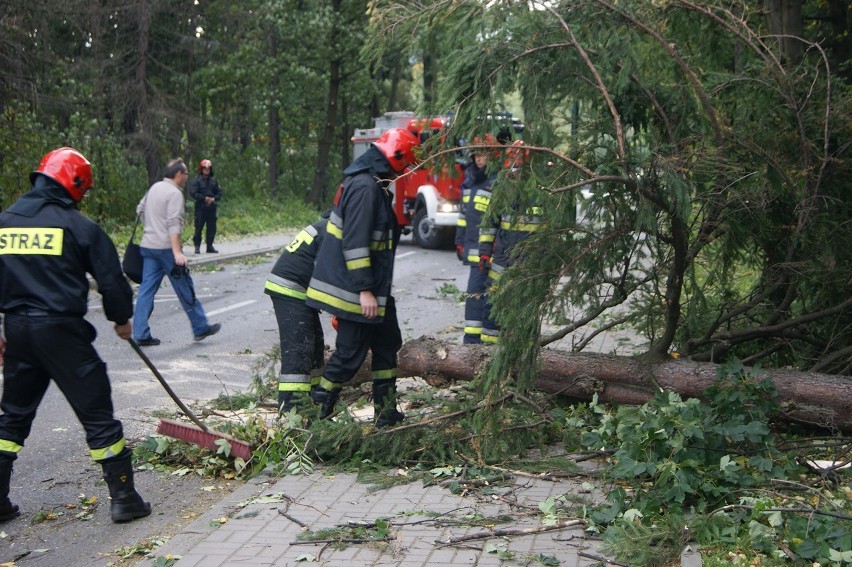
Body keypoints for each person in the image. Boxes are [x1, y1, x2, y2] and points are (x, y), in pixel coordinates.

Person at [0, 147, 150, 523]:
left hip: (17, 330)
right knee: (97, 413)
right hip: (62, 333)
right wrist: (121, 319)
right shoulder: (79, 227)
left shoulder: (4, 223)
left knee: (12, 417)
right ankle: (125, 498)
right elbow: (111, 280)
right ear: (76, 183)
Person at [305, 127, 420, 427]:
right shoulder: (365, 188)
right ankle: (318, 414)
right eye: (405, 165)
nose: (404, 172)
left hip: (376, 291)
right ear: (395, 159)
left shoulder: (375, 185)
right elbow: (355, 243)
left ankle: (385, 411)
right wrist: (365, 290)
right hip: (359, 292)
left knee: (387, 345)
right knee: (348, 356)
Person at [132, 159, 221, 346]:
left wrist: (151, 228)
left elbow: (139, 210)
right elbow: (174, 224)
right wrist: (177, 252)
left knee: (146, 290)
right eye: (186, 173)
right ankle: (200, 327)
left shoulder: (154, 188)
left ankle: (140, 332)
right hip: (166, 250)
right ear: (178, 174)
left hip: (148, 245)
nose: (187, 177)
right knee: (184, 287)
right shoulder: (174, 193)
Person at [264, 214, 329, 413]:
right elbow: (327, 273)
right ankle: (291, 413)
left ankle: (314, 407)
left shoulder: (331, 224)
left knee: (316, 349)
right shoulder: (333, 231)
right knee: (299, 354)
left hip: (301, 291)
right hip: (290, 290)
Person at [479, 141, 540, 344]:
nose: (514, 173)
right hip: (503, 259)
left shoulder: (541, 191)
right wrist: (484, 251)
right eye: (511, 168)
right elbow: (489, 223)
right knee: (493, 304)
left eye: (518, 168)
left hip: (530, 261)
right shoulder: (502, 190)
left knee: (527, 307)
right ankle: (487, 355)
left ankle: (523, 352)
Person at [454, 134, 498, 344]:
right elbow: (464, 215)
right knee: (474, 294)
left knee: (484, 295)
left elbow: (498, 220)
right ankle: (473, 340)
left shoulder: (497, 182)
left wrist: (491, 248)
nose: (480, 159)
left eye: (484, 155)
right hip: (473, 250)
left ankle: (478, 340)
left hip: (489, 251)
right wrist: (459, 240)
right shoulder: (470, 180)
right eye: (476, 155)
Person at [190, 159, 223, 254]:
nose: (207, 170)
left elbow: (219, 192)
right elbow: (193, 193)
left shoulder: (214, 180)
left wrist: (213, 199)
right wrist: (204, 198)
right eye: (205, 168)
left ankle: (209, 246)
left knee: (212, 227)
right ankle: (197, 246)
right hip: (201, 207)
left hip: (211, 208)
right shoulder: (197, 180)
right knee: (198, 227)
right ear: (201, 169)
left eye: (208, 169)